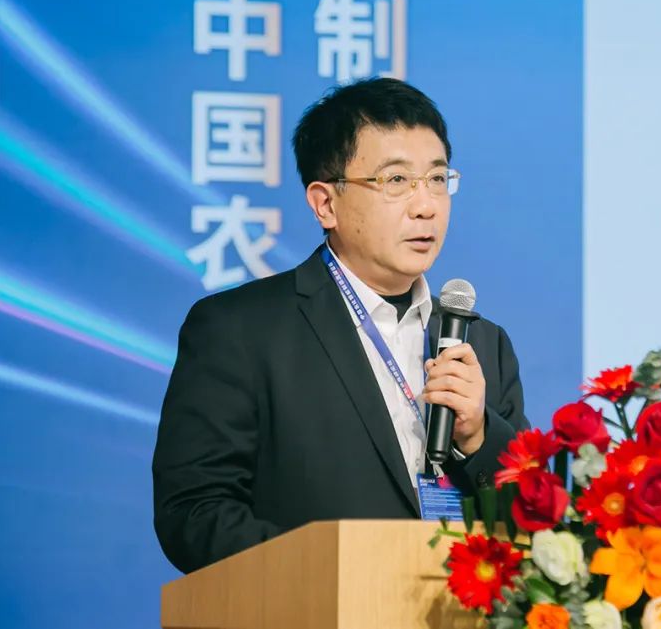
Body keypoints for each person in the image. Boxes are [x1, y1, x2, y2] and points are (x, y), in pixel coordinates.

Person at [152, 77, 529, 574]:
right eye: (396, 181)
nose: (426, 205)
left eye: (438, 179)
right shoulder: (239, 330)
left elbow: (530, 520)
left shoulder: (482, 342)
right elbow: (194, 514)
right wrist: (337, 571)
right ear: (325, 203)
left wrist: (478, 436)